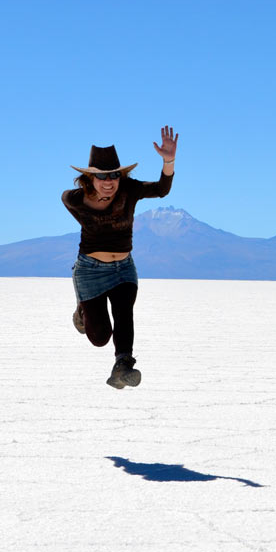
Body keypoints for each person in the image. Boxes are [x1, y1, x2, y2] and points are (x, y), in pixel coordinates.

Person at [63, 126, 178, 389]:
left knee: (124, 310)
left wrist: (168, 161)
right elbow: (68, 201)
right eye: (102, 176)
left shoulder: (129, 191)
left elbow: (161, 189)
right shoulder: (75, 199)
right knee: (100, 337)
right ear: (89, 178)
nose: (109, 180)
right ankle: (82, 310)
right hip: (90, 271)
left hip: (124, 268)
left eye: (114, 174)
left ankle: (123, 366)